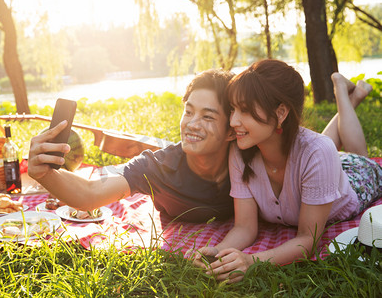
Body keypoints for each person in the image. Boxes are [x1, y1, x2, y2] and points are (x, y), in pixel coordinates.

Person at [192, 59, 382, 282]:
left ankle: (345, 93)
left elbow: (307, 241)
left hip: (356, 177)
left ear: (281, 112)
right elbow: (245, 227)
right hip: (317, 157)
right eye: (233, 109)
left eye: (244, 110)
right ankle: (350, 96)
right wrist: (219, 251)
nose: (233, 120)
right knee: (318, 148)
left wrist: (251, 261)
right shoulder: (240, 151)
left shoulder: (318, 152)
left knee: (356, 154)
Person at [27, 69, 237, 223]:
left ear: (232, 129)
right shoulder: (159, 167)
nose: (192, 125)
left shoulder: (249, 162)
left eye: (208, 116)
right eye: (189, 112)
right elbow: (89, 194)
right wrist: (44, 173)